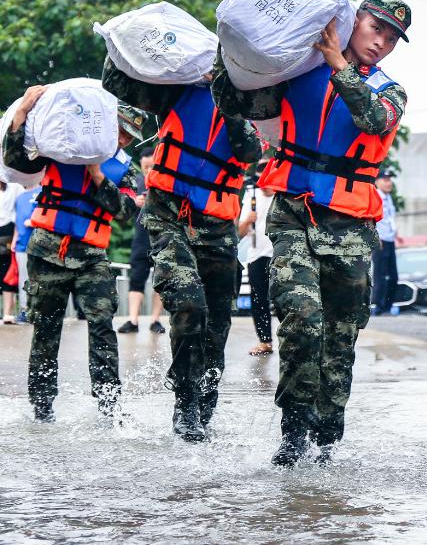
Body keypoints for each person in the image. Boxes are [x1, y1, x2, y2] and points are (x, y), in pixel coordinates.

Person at [212, 0, 411, 466]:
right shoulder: (299, 74)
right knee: (301, 323)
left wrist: (337, 64)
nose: (381, 41)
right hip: (294, 215)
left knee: (339, 341)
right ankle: (292, 437)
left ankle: (324, 445)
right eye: (375, 27)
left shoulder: (390, 91)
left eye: (392, 37)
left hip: (351, 229)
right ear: (353, 20)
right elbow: (241, 102)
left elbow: (370, 119)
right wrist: (232, 56)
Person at [103, 58, 261, 441]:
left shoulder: (256, 101)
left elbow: (249, 152)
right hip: (168, 213)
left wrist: (226, 94)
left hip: (219, 225)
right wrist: (123, 46)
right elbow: (116, 83)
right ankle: (185, 405)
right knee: (190, 304)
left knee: (217, 326)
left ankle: (203, 410)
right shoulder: (177, 90)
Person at [2, 84, 147, 422]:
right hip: (46, 250)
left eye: (130, 135)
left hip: (92, 257)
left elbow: (126, 210)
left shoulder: (125, 169)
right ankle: (42, 409)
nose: (124, 140)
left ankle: (109, 407)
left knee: (101, 327)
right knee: (46, 330)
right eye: (121, 130)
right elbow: (15, 161)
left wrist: (97, 176)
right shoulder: (60, 146)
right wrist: (22, 113)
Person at [117, 147, 165, 334]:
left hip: (162, 236)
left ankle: (155, 319)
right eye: (145, 167)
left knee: (161, 279)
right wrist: (134, 201)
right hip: (141, 236)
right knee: (136, 278)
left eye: (151, 166)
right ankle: (133, 320)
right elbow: (123, 211)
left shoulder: (164, 181)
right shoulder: (136, 182)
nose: (148, 170)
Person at [238, 160, 274, 355]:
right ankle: (265, 341)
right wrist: (247, 220)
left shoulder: (282, 195)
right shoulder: (251, 195)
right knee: (259, 299)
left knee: (283, 299)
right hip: (256, 254)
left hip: (278, 253)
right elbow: (241, 231)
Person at [11, 184, 42, 323]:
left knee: (40, 279)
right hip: (21, 245)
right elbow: (17, 222)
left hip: (40, 245)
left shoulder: (43, 191)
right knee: (24, 279)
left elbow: (51, 215)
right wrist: (14, 239)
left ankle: (41, 310)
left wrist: (34, 221)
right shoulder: (19, 197)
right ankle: (25, 311)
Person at [371, 169, 399, 315]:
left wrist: (396, 234)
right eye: (385, 179)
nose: (389, 183)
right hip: (380, 240)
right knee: (380, 275)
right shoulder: (376, 197)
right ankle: (377, 306)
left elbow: (389, 219)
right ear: (377, 181)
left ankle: (388, 306)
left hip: (390, 239)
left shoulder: (389, 198)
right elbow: (371, 219)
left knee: (393, 276)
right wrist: (376, 238)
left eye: (390, 179)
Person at [0, 180, 23, 324]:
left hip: (8, 231)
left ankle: (7, 314)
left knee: (8, 272)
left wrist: (16, 236)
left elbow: (21, 210)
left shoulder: (14, 186)